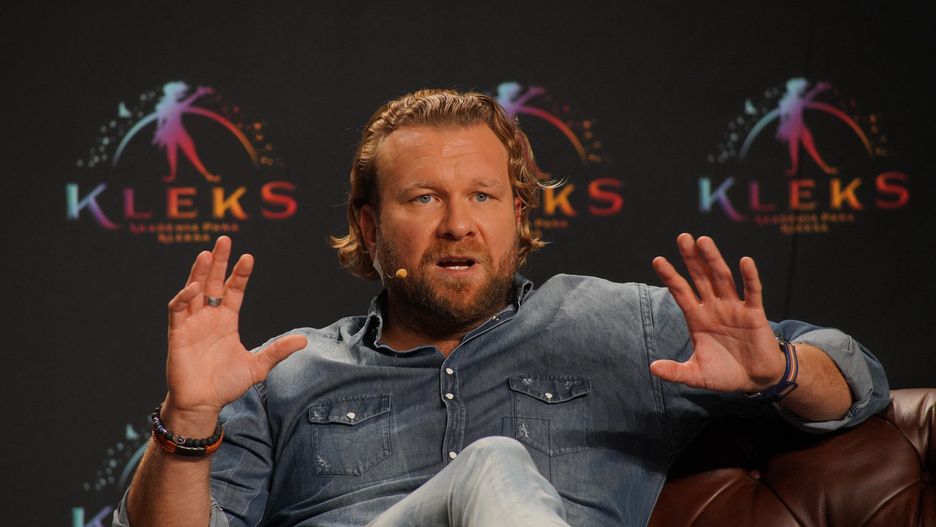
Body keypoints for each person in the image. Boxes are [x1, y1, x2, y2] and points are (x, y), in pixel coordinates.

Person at [116, 89, 889, 526]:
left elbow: (859, 384)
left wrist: (781, 368)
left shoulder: (619, 324)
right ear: (369, 227)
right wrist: (188, 421)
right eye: (425, 197)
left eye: (483, 196)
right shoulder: (284, 372)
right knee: (491, 464)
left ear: (519, 218)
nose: (459, 223)